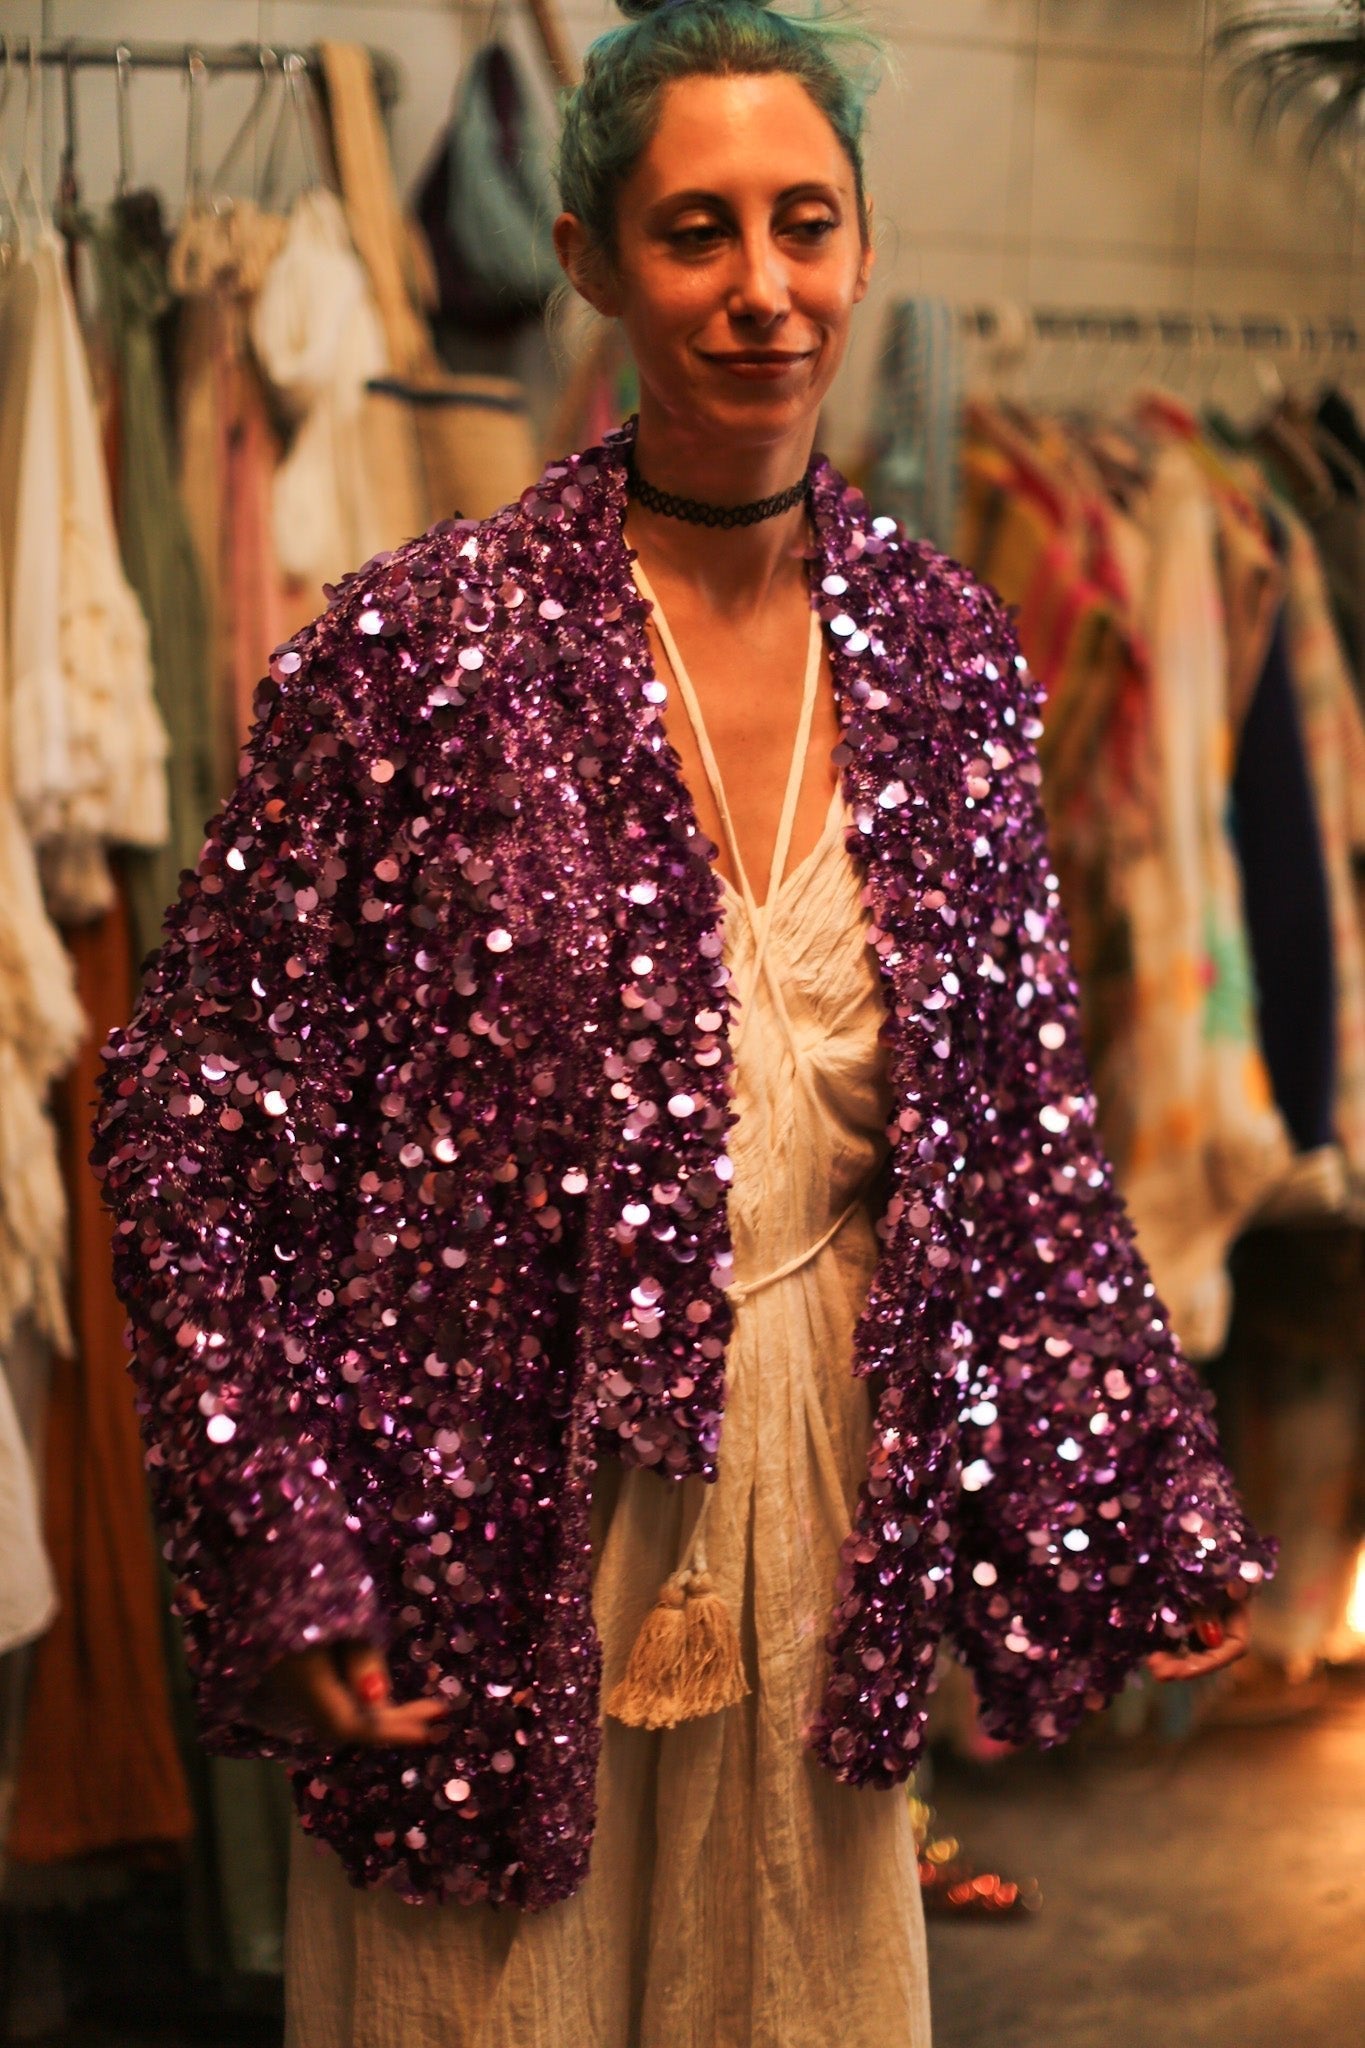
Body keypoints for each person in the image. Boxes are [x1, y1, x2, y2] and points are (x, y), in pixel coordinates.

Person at [91, 3, 1268, 2042]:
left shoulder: (947, 659)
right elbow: (197, 1119)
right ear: (592, 263)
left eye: (802, 223)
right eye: (694, 230)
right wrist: (280, 1526)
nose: (759, 287)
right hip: (482, 1496)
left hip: (820, 1487)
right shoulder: (421, 653)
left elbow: (1018, 1126)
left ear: (864, 245)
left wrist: (1131, 1491)